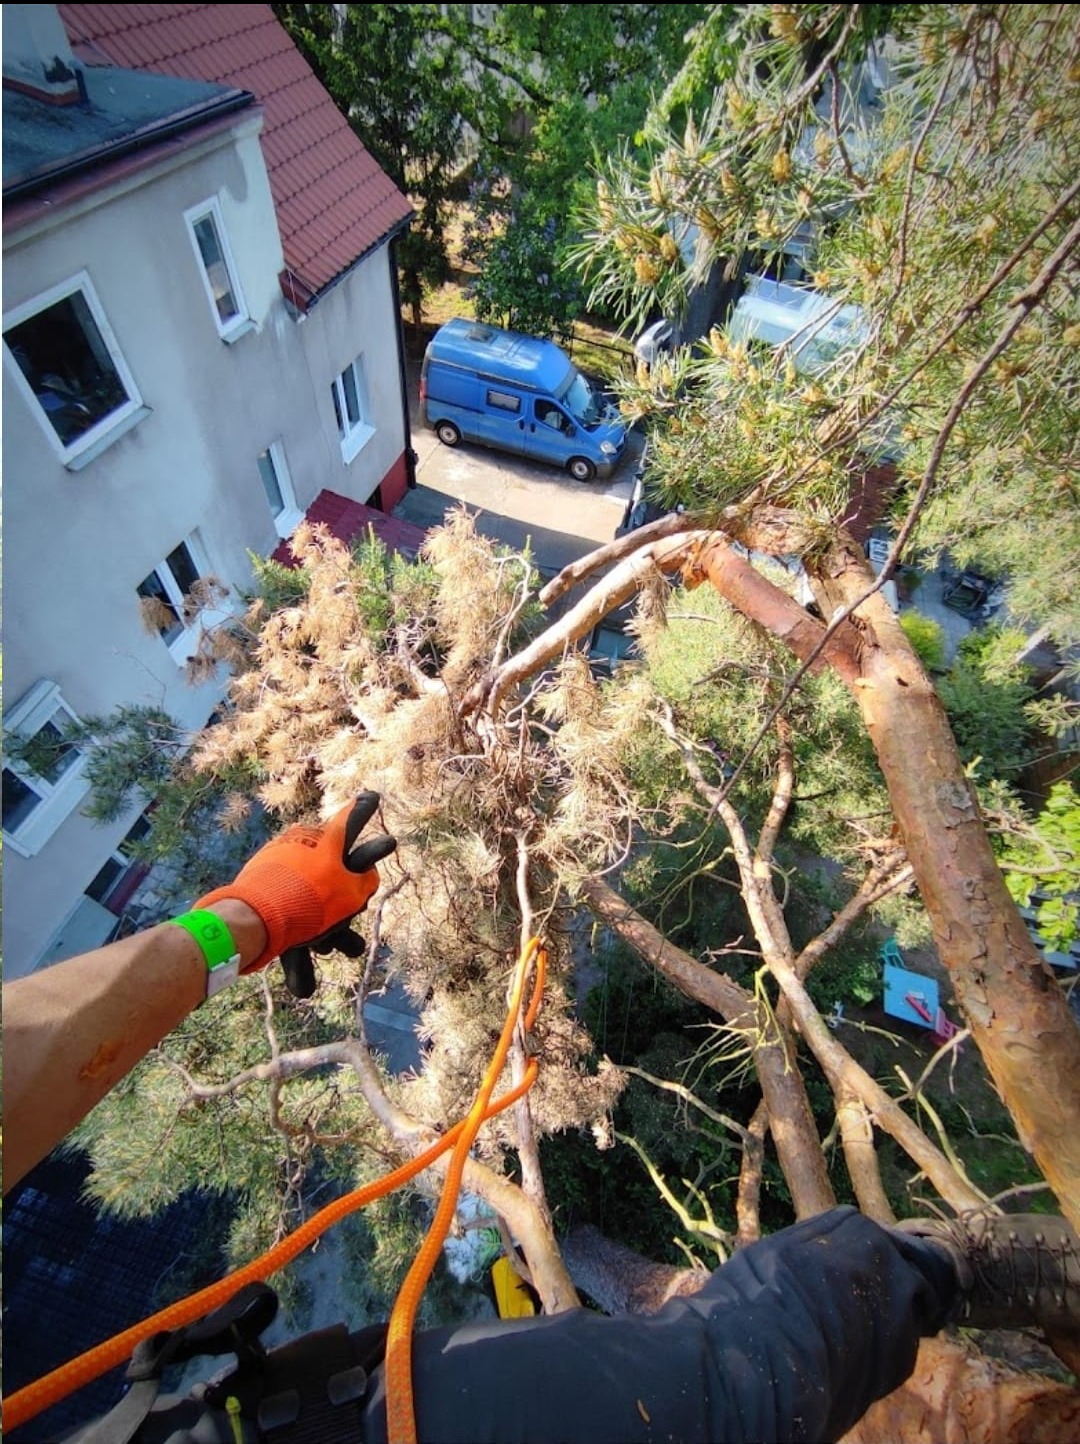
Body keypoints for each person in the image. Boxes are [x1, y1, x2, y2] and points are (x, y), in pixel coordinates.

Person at [5, 795, 1078, 1444]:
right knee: (728, 1386)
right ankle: (935, 1267)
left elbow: (32, 1050)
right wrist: (237, 920)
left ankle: (939, 1270)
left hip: (281, 1416)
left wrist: (240, 920)